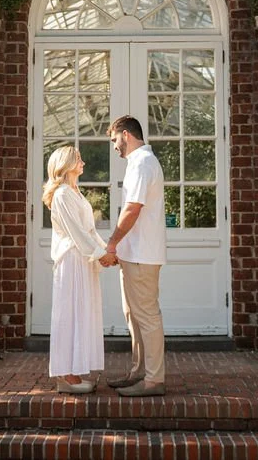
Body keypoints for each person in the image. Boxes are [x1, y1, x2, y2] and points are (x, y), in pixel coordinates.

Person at [42, 145, 116, 394]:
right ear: (66, 164)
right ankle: (65, 375)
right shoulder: (62, 194)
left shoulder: (75, 193)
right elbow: (75, 232)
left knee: (81, 313)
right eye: (78, 158)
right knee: (68, 314)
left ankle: (73, 371)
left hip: (83, 260)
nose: (83, 161)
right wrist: (100, 254)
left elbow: (89, 231)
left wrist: (106, 251)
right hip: (72, 260)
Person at [104, 115, 167, 397]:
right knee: (134, 316)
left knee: (147, 316)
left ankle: (154, 380)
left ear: (126, 135)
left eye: (115, 140)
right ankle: (139, 371)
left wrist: (112, 243)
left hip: (142, 253)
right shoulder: (137, 163)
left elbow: (132, 209)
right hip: (133, 254)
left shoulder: (142, 163)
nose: (115, 146)